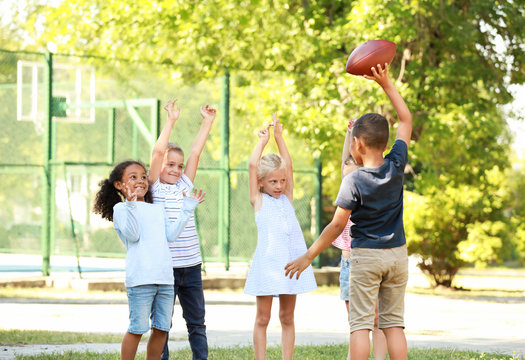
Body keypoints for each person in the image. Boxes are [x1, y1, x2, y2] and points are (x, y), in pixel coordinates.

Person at [285, 63, 412, 360]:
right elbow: (405, 120)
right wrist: (386, 83)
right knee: (394, 325)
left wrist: (308, 256)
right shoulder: (395, 166)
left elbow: (335, 226)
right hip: (397, 254)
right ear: (384, 142)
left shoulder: (352, 180)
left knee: (360, 326)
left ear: (356, 143)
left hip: (365, 256)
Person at [93, 160, 205, 360]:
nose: (141, 181)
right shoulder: (121, 209)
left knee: (161, 328)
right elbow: (133, 234)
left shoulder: (156, 209)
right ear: (119, 185)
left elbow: (171, 235)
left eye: (144, 177)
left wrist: (187, 208)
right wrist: (132, 204)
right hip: (141, 279)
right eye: (133, 177)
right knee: (137, 328)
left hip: (164, 279)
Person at [244, 113, 317, 360]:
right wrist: (264, 142)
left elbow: (289, 164)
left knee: (287, 317)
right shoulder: (259, 200)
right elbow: (253, 165)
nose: (279, 185)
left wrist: (279, 137)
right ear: (261, 182)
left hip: (290, 265)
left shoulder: (287, 198)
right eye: (273, 181)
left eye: (282, 181)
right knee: (263, 318)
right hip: (267, 266)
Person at [148, 98, 216, 360]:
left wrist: (207, 122)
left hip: (192, 267)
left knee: (197, 323)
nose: (176, 170)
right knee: (162, 323)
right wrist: (171, 120)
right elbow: (157, 153)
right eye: (170, 164)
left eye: (179, 165)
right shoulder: (153, 187)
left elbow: (196, 152)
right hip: (165, 268)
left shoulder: (184, 186)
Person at [333, 118, 387, 360]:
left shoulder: (367, 203)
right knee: (355, 321)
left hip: (366, 261)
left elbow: (350, 165)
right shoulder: (348, 186)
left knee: (375, 318)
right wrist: (349, 134)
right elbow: (346, 163)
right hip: (347, 264)